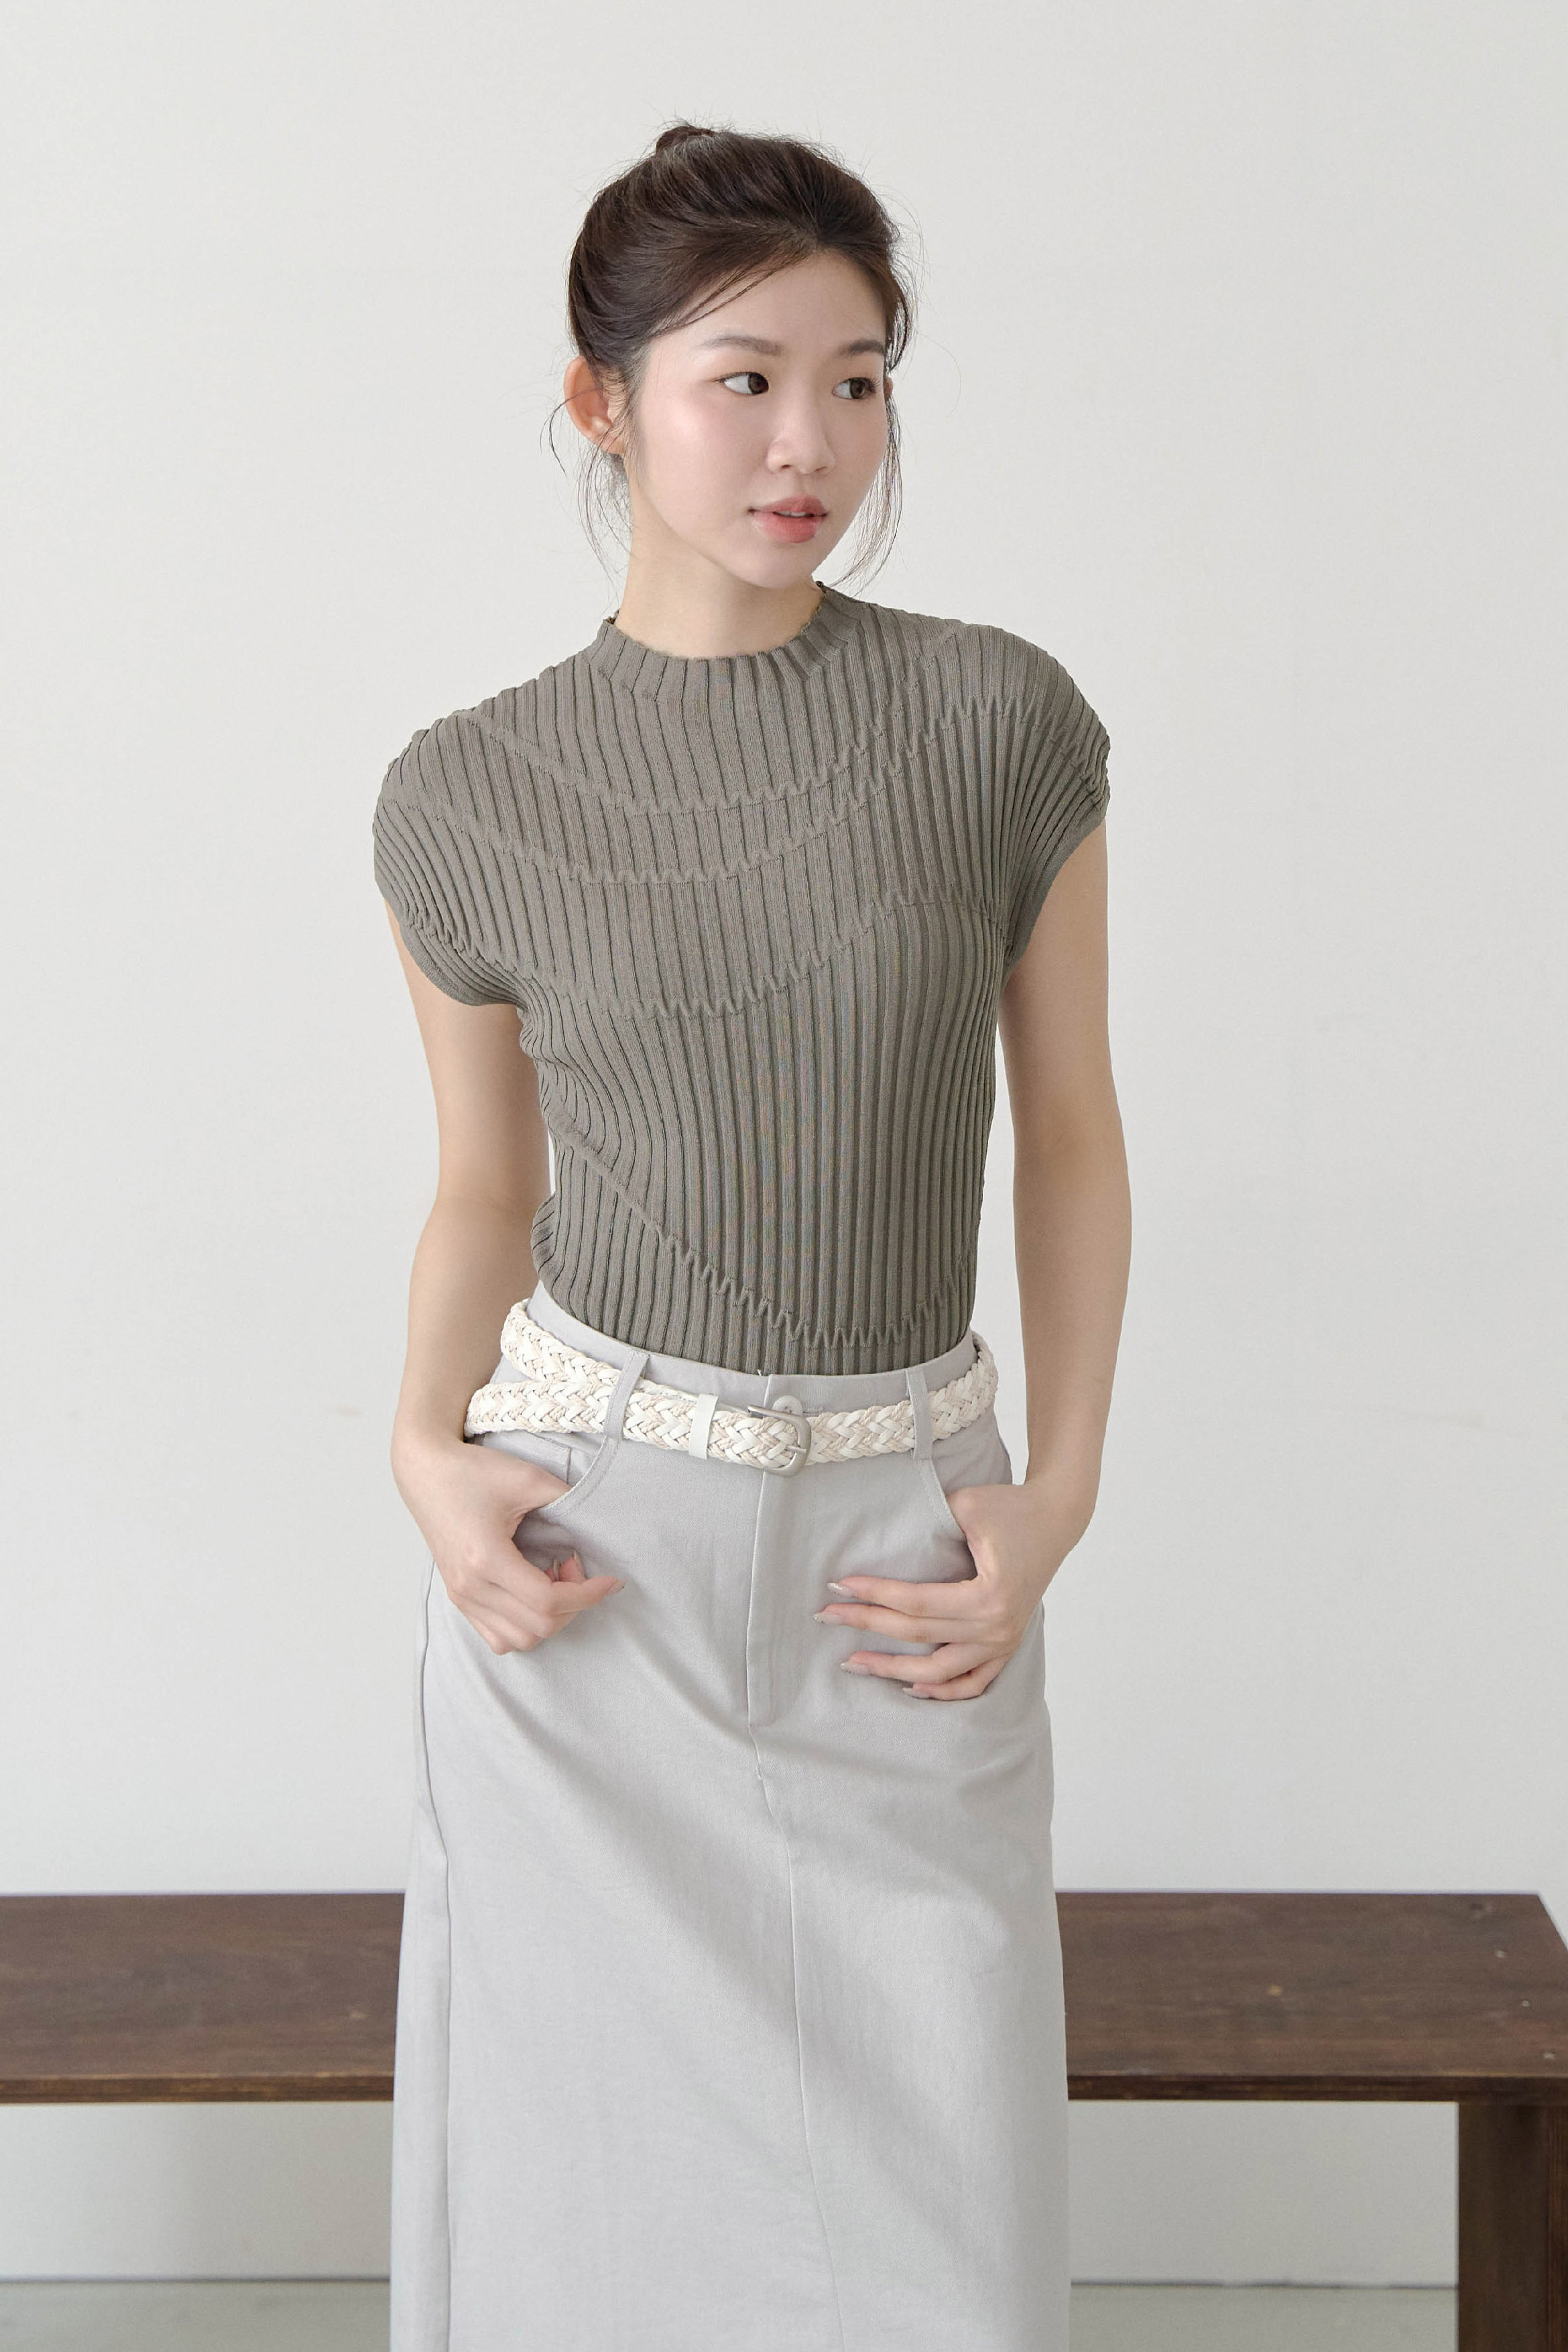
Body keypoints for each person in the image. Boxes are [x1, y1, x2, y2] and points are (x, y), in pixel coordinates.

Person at [375, 120, 1130, 2352]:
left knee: (943, 2224)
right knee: (574, 2226)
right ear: (601, 402)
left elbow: (1070, 1135)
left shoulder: (995, 720)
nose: (811, 443)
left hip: (903, 1556)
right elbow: (483, 1186)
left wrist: (1058, 1488)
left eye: (858, 379)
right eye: (745, 379)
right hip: (588, 1562)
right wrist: (422, 1448)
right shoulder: (464, 791)